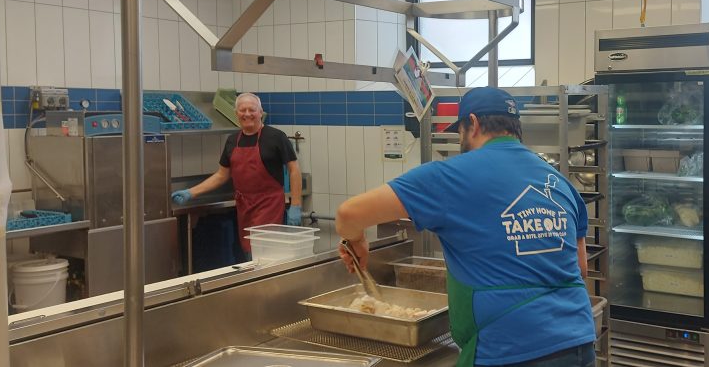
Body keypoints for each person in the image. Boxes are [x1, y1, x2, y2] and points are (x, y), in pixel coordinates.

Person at [335, 87, 596, 367]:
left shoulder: (450, 175)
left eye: (459, 131)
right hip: (578, 343)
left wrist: (358, 241)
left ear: (472, 123)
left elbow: (348, 214)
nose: (460, 140)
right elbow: (579, 269)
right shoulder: (559, 183)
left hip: (508, 349)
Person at [170, 92, 303, 254]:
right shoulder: (232, 140)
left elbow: (294, 170)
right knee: (248, 252)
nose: (247, 114)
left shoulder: (276, 137)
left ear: (260, 112)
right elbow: (221, 175)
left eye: (252, 110)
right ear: (236, 114)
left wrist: (296, 205)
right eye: (242, 110)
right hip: (244, 207)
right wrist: (190, 192)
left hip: (269, 205)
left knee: (266, 252)